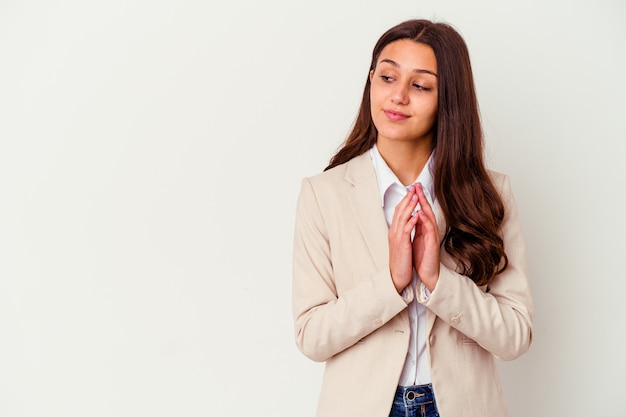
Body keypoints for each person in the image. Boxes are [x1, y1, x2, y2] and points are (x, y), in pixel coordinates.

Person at [292, 19, 533, 417]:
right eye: (387, 77)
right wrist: (391, 282)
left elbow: (515, 336)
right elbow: (311, 337)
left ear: (448, 99)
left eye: (420, 86)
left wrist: (439, 280)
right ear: (371, 81)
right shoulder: (323, 194)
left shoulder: (491, 194)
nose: (398, 96)